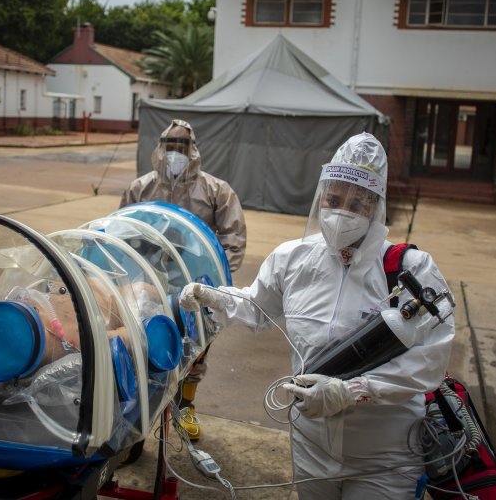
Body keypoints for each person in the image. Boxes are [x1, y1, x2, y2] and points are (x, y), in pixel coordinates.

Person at [180, 132, 455, 499]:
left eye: (357, 204)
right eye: (334, 199)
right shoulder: (292, 259)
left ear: (376, 207)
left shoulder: (411, 269)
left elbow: (431, 360)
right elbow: (257, 308)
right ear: (321, 196)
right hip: (310, 444)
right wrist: (212, 295)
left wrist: (352, 391)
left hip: (384, 454)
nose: (342, 212)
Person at [120, 118, 247, 440]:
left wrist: (216, 281)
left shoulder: (216, 190)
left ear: (194, 151)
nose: (176, 152)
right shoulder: (140, 188)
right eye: (170, 145)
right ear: (160, 149)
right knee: (141, 342)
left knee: (197, 346)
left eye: (183, 146)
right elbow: (119, 232)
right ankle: (136, 412)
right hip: (148, 283)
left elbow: (233, 237)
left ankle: (186, 406)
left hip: (196, 285)